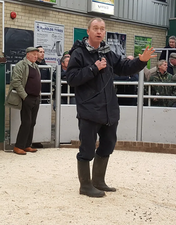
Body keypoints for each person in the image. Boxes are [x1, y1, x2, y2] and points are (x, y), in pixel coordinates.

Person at [66, 17, 156, 197]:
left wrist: (141, 61)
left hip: (109, 111)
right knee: (87, 150)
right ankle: (85, 186)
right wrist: (94, 68)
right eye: (96, 28)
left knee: (107, 146)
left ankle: (98, 181)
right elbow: (71, 78)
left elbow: (123, 67)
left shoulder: (108, 52)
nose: (99, 31)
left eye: (102, 28)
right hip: (89, 111)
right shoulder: (78, 53)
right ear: (88, 31)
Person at [7, 47, 41, 155]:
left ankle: (27, 145)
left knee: (32, 122)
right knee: (26, 122)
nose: (36, 56)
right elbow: (16, 81)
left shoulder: (35, 66)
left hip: (36, 98)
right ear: (27, 55)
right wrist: (24, 96)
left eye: (37, 54)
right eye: (34, 54)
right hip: (27, 98)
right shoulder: (20, 65)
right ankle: (18, 146)